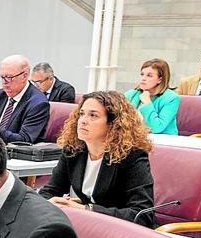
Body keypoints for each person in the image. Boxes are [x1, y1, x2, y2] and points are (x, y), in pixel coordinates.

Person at [38, 91, 155, 225]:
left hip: (121, 232)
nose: (82, 121)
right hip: (85, 225)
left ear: (113, 123)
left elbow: (142, 214)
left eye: (93, 115)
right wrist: (50, 202)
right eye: (82, 114)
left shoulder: (132, 156)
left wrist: (88, 210)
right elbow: (50, 191)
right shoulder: (74, 150)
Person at [126, 58, 180, 135]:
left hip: (162, 141)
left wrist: (147, 103)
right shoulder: (131, 94)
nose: (143, 78)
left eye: (149, 76)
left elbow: (157, 128)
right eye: (142, 74)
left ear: (160, 80)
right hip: (133, 139)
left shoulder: (171, 98)